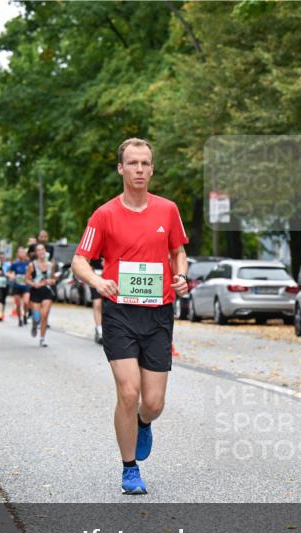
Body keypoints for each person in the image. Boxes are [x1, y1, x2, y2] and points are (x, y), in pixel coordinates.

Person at [72, 137, 190, 495]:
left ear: (152, 169)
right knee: (128, 391)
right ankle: (129, 469)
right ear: (121, 168)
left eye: (145, 163)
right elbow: (80, 260)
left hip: (158, 314)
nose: (139, 169)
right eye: (133, 163)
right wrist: (96, 280)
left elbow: (178, 252)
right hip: (120, 312)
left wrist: (182, 276)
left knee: (152, 402)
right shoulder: (104, 214)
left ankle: (143, 421)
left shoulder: (167, 210)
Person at [26, 243, 56, 347]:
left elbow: (53, 279)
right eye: (38, 250)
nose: (41, 252)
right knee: (37, 316)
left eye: (42, 249)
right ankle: (35, 324)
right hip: (36, 292)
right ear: (36, 253)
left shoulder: (50, 265)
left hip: (47, 292)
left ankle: (42, 338)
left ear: (45, 251)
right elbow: (26, 280)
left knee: (44, 316)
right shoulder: (32, 265)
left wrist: (50, 281)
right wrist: (34, 284)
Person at [8, 246, 31, 327]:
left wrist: (29, 277)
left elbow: (32, 273)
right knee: (18, 305)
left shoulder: (28, 263)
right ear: (17, 254)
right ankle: (20, 319)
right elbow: (8, 272)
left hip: (26, 286)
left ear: (25, 254)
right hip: (17, 286)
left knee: (26, 302)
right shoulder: (15, 264)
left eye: (23, 252)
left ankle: (25, 314)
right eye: (19, 252)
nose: (21, 254)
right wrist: (11, 276)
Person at [90, 257, 104, 344]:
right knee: (97, 304)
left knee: (106, 305)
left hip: (111, 276)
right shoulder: (94, 244)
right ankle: (100, 331)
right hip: (95, 277)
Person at [0, 252, 11, 322]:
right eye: (0, 258)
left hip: (6, 284)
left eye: (3, 258)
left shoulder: (8, 265)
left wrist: (8, 274)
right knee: (0, 299)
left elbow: (11, 273)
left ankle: (2, 313)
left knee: (3, 300)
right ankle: (0, 314)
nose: (1, 259)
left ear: (4, 258)